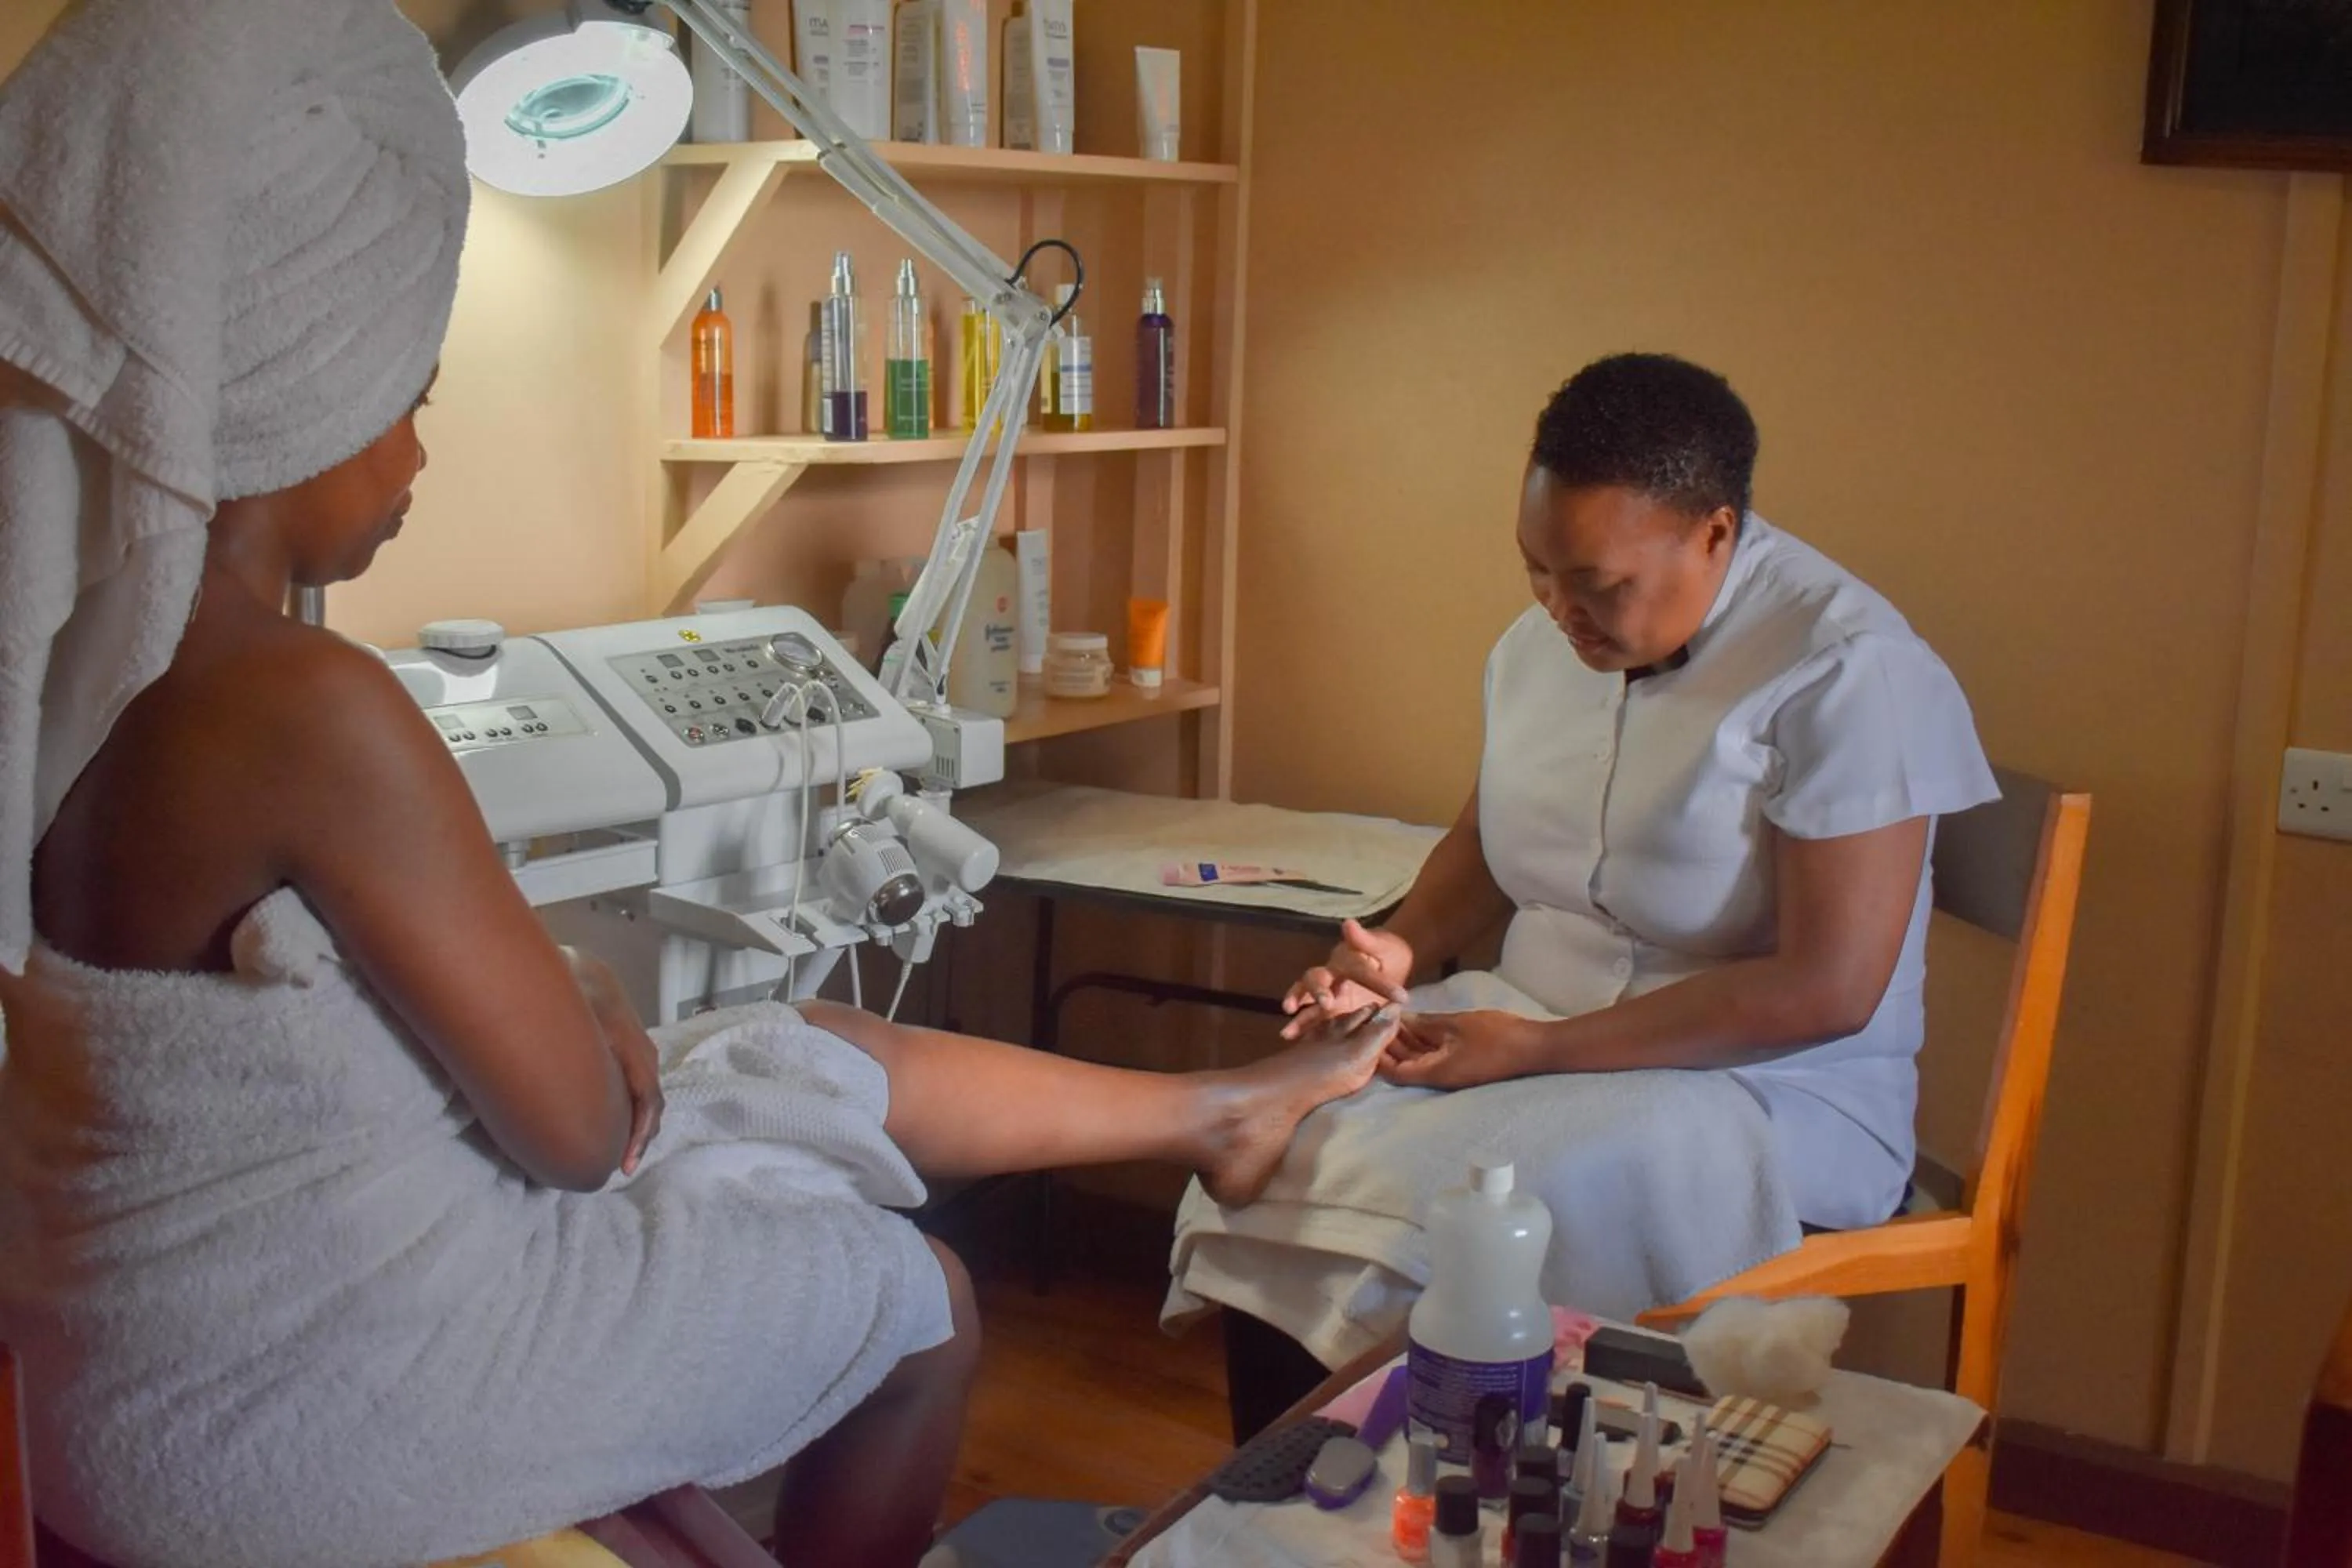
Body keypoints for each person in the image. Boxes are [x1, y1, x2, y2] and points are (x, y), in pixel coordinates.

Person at [0, 5, 1392, 1568]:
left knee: (780, 1036)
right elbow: (586, 1139)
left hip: (121, 1375)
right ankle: (1194, 1125)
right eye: (414, 397)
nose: (415, 457)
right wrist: (587, 1004)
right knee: (913, 1298)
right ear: (300, 382)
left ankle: (1210, 1113)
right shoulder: (308, 707)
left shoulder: (58, 672)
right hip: (292, 1412)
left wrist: (588, 1005)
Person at [1170, 352, 1998, 1407]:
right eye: (1538, 570)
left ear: (1716, 533)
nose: (1562, 611)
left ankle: (1471, 1515)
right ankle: (1296, 1512)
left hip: (1762, 1091)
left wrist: (1541, 1053)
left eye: (1601, 585)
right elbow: (1488, 844)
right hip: (1533, 1031)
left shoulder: (1849, 672)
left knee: (1461, 1208)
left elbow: (1827, 990)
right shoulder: (1543, 645)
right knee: (1305, 1139)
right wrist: (1394, 951)